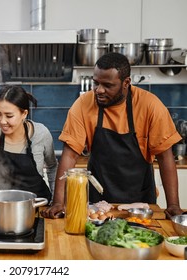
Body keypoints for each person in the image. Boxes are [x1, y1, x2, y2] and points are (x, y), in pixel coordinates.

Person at [41, 52, 184, 219]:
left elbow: (165, 157)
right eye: (96, 83)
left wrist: (173, 205)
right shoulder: (83, 104)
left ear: (126, 83)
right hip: (97, 204)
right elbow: (69, 155)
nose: (99, 90)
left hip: (140, 203)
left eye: (108, 85)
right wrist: (59, 201)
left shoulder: (150, 106)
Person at [0, 85, 57, 202]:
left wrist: (55, 201)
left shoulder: (41, 134)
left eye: (9, 116)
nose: (2, 121)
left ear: (24, 114)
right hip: (6, 206)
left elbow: (52, 167)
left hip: (40, 205)